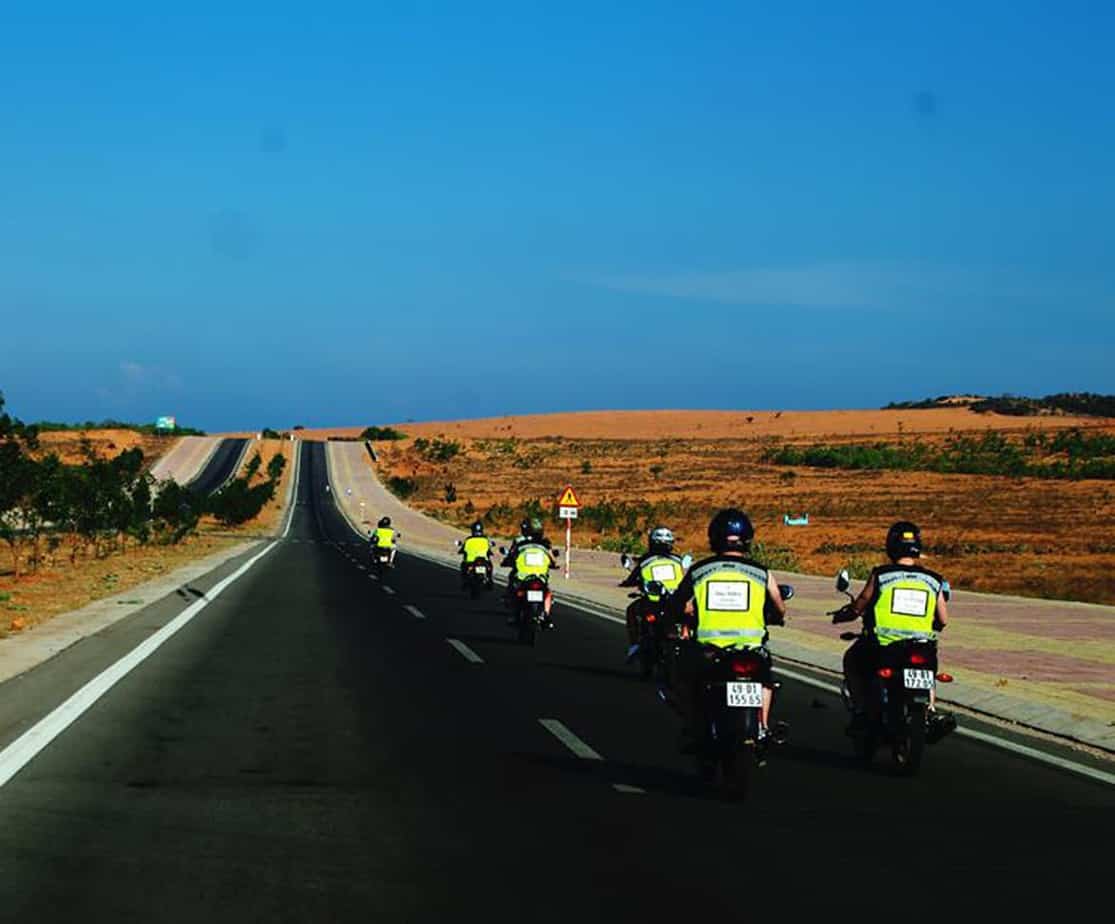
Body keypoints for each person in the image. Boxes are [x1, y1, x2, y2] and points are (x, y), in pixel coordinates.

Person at [669, 508, 787, 752]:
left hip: (708, 652)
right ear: (747, 539)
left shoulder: (699, 571)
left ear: (714, 538)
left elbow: (677, 604)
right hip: (751, 650)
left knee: (683, 679)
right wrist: (774, 617)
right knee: (765, 681)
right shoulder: (761, 572)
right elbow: (779, 606)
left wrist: (680, 615)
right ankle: (763, 727)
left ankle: (693, 726)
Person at [833, 521, 950, 733]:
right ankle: (930, 709)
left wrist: (847, 614)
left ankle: (860, 710)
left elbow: (861, 604)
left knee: (852, 660)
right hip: (922, 645)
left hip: (885, 645)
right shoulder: (933, 580)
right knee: (927, 669)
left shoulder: (882, 575)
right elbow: (943, 619)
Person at [618, 525, 686, 662]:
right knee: (688, 616)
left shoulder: (645, 561)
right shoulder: (678, 561)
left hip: (652, 601)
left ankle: (635, 644)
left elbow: (633, 578)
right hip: (673, 601)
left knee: (631, 611)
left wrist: (626, 582)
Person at [501, 518, 559, 626]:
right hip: (540, 577)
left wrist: (507, 561)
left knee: (514, 590)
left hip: (522, 577)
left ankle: (514, 613)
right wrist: (554, 565)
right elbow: (552, 559)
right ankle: (546, 615)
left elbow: (511, 556)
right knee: (547, 592)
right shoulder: (545, 544)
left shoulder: (520, 543)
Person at [459, 520, 494, 588]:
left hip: (471, 561)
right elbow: (489, 547)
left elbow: (463, 548)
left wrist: (461, 550)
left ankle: (465, 581)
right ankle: (489, 579)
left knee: (463, 565)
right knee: (490, 566)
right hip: (483, 560)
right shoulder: (485, 539)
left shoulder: (469, 539)